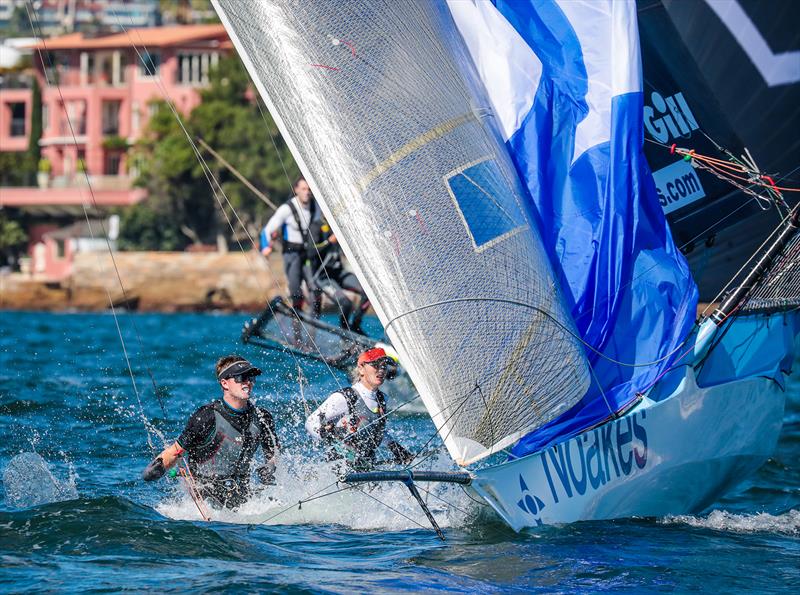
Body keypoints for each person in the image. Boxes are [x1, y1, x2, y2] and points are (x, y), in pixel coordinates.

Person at [142, 355, 279, 509]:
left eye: (251, 378)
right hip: (205, 500)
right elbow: (176, 451)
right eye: (242, 377)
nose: (248, 382)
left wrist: (271, 465)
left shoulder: (262, 417)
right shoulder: (206, 417)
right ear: (225, 383)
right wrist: (156, 469)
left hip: (244, 502)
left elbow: (273, 454)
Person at [305, 347, 413, 471]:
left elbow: (372, 428)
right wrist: (325, 433)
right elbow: (310, 422)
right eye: (376, 365)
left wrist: (394, 446)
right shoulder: (345, 397)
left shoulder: (382, 399)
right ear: (361, 369)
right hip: (339, 470)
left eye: (384, 366)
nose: (381, 370)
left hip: (367, 467)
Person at [260, 176, 322, 318]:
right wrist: (265, 247)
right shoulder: (286, 209)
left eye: (309, 190)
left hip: (307, 254)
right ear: (296, 190)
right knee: (297, 293)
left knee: (317, 290)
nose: (307, 192)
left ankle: (315, 324)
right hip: (291, 254)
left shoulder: (315, 207)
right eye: (304, 189)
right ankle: (297, 331)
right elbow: (267, 230)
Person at [307, 217, 370, 333]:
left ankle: (356, 325)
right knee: (346, 303)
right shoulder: (316, 226)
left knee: (368, 291)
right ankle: (345, 332)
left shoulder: (339, 225)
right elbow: (310, 252)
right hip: (323, 277)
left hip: (339, 273)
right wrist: (329, 242)